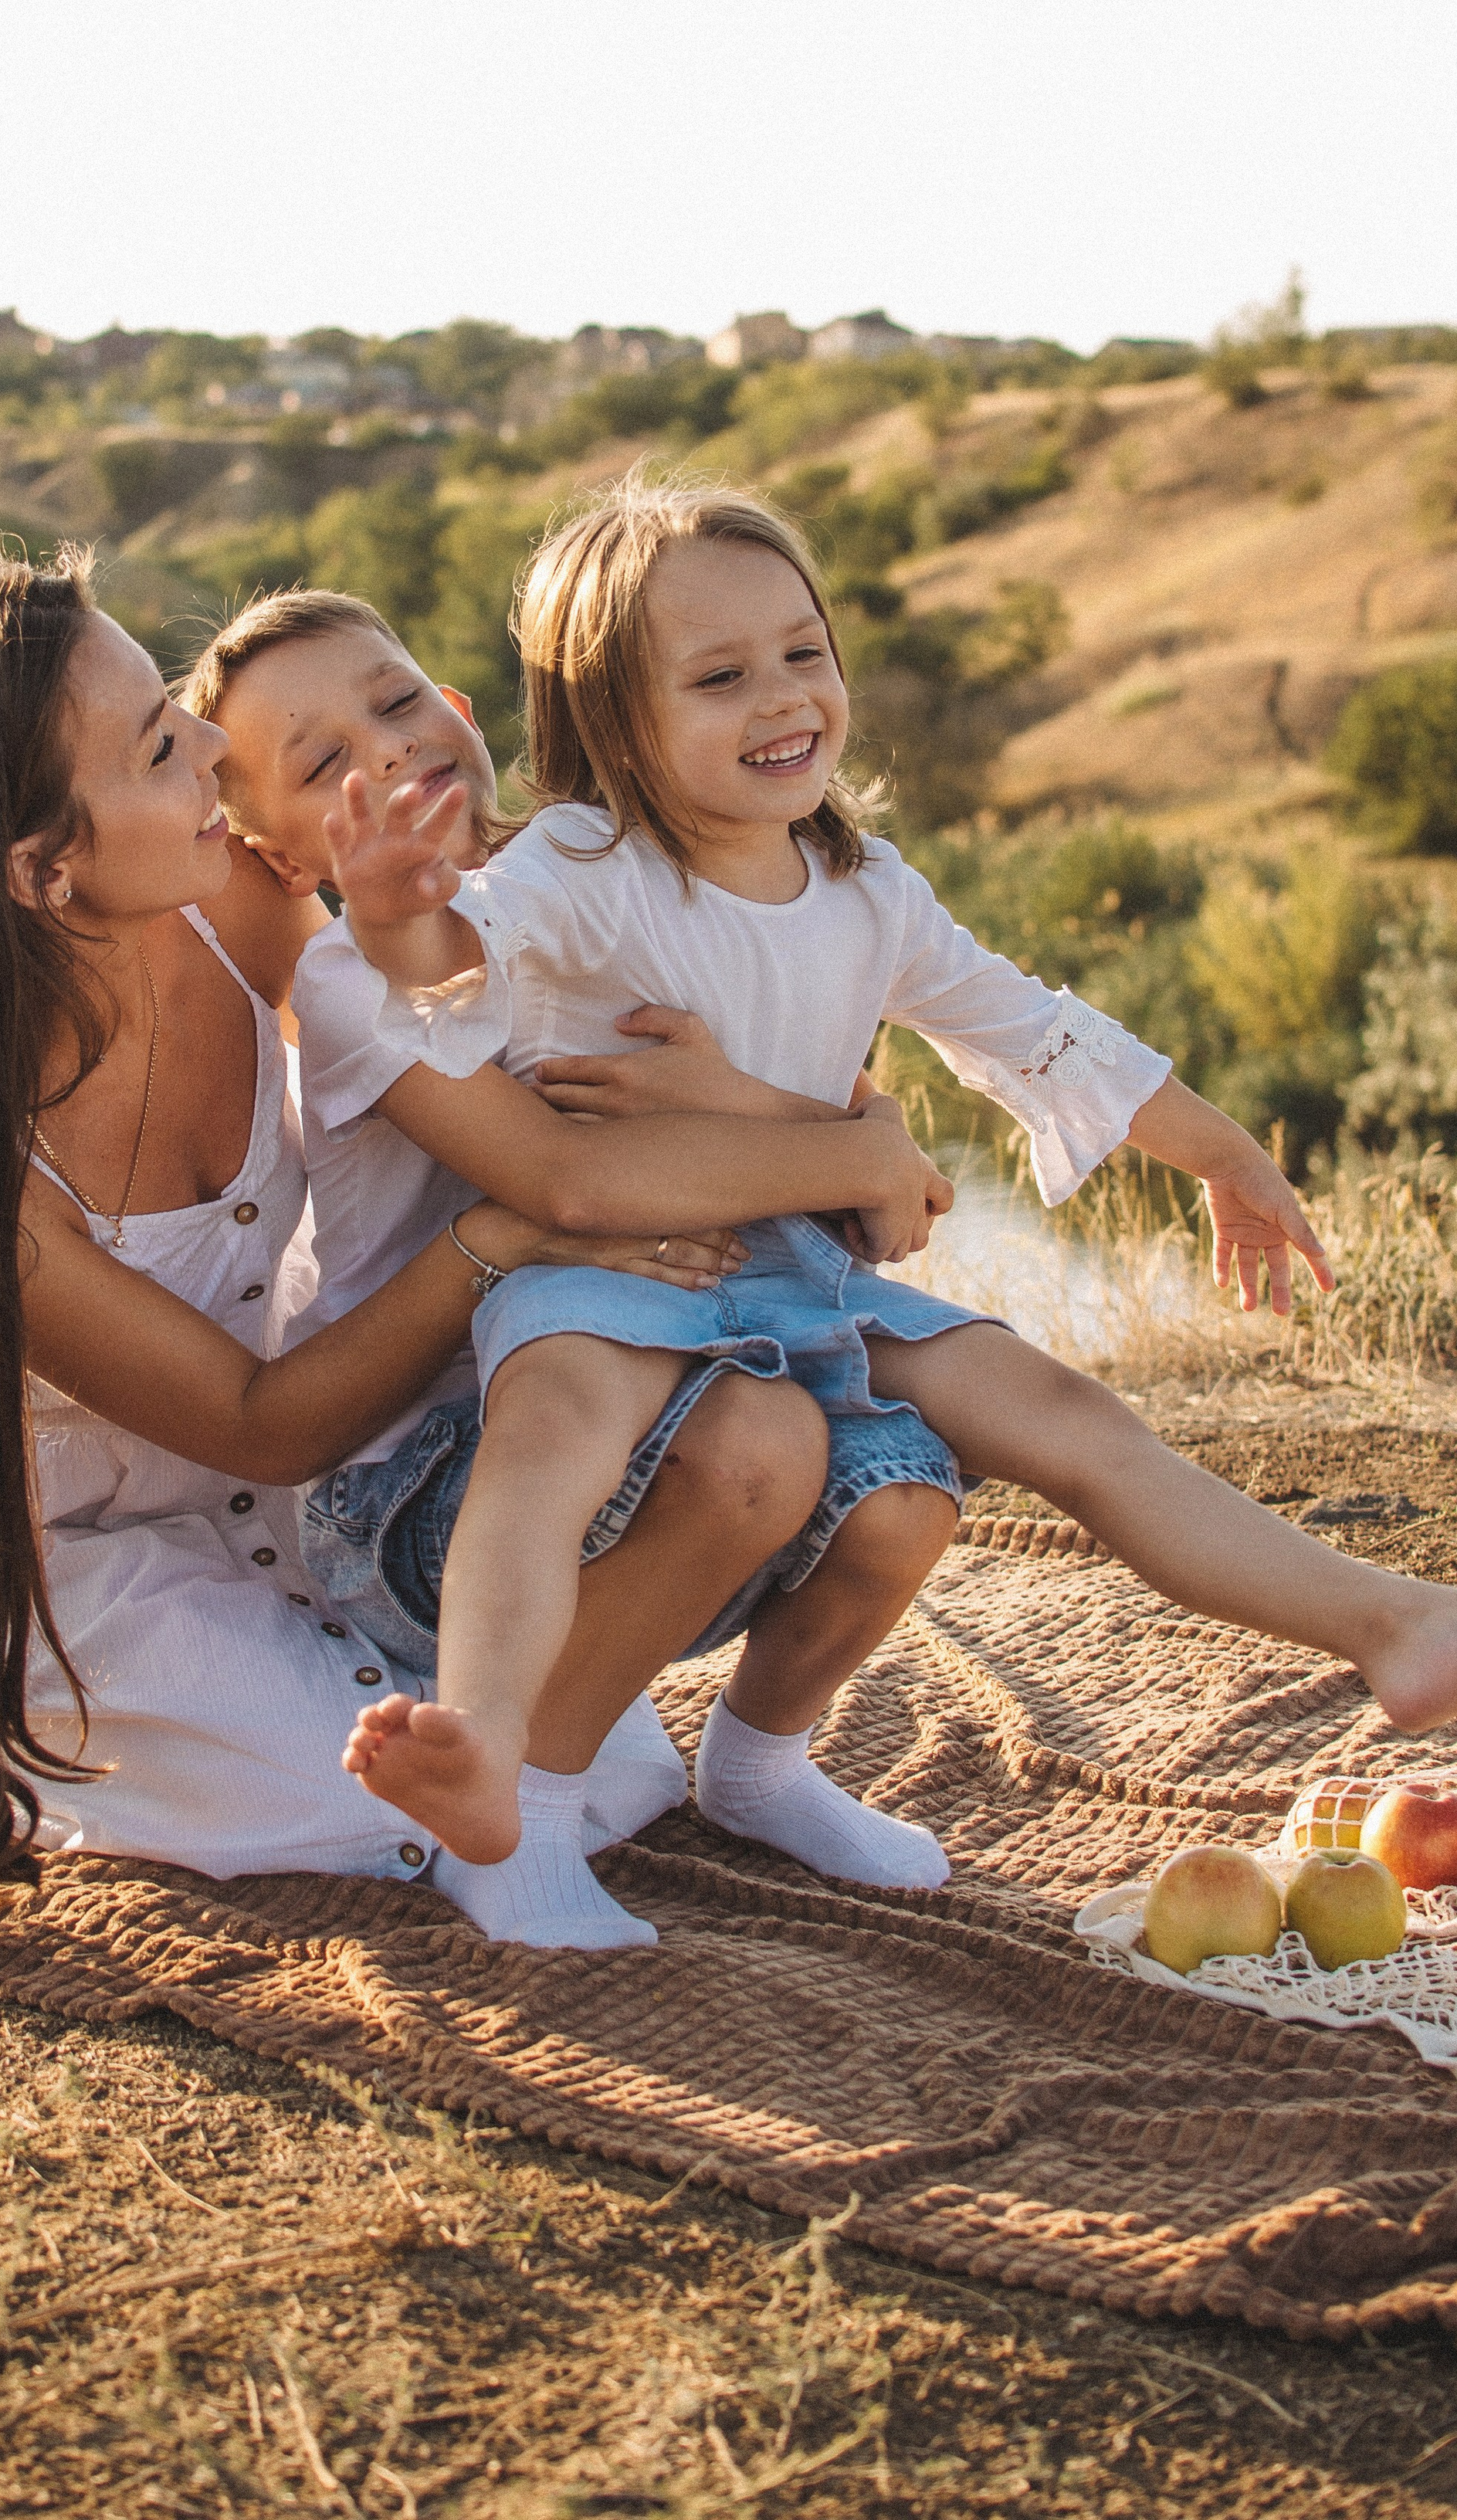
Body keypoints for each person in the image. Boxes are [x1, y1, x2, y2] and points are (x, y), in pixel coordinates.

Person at [310, 474, 1457, 1872]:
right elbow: (457, 975)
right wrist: (394, 914)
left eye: (803, 654)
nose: (782, 699)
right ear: (609, 719)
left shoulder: (868, 889)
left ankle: (1389, 1625)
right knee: (551, 1442)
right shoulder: (587, 858)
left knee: (1056, 1416)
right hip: (620, 1272)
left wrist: (1223, 1153)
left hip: (802, 1275)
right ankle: (486, 1750)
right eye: (719, 676)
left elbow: (1042, 1037)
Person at [0, 539, 867, 1929]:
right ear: (41, 869)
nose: (215, 745)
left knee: (604, 1761)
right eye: (162, 746)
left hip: (302, 1488)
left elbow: (431, 1029)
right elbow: (260, 1420)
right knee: (370, 1803)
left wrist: (763, 1102)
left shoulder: (223, 902)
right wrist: (505, 1239)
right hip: (94, 1549)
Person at [191, 591, 964, 1931]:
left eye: (396, 701)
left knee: (905, 1484)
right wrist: (865, 1156)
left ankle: (762, 1766)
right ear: (270, 851)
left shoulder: (597, 897)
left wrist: (867, 1137)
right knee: (759, 1442)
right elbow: (573, 1179)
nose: (383, 757)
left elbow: (769, 1142)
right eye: (322, 767)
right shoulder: (356, 980)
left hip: (639, 1393)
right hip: (433, 1484)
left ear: (464, 707)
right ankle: (519, 1810)